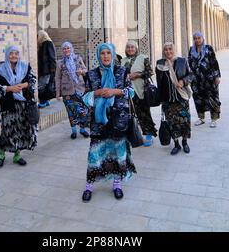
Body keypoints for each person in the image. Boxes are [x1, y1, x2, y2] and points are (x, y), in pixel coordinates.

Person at [81, 43, 136, 203]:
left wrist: (115, 91)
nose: (105, 56)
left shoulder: (122, 71)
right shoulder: (91, 75)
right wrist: (96, 93)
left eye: (108, 53)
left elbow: (130, 91)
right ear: (99, 56)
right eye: (103, 53)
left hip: (119, 119)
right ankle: (89, 185)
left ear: (112, 55)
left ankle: (117, 184)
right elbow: (84, 97)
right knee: (95, 154)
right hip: (99, 123)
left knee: (118, 153)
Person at [0, 45, 37, 167]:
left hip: (23, 105)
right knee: (7, 131)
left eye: (16, 53)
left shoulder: (25, 67)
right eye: (11, 53)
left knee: (20, 130)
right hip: (8, 106)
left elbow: (33, 80)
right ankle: (1, 154)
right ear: (7, 54)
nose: (14, 56)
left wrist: (24, 85)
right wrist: (10, 88)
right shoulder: (0, 70)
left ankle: (17, 155)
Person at [156, 42, 192, 156]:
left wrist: (183, 81)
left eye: (170, 49)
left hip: (181, 97)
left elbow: (191, 75)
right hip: (167, 99)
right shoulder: (160, 64)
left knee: (184, 122)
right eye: (165, 49)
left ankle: (185, 142)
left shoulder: (182, 61)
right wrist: (161, 99)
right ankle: (176, 144)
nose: (168, 51)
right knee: (172, 123)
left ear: (174, 50)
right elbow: (159, 83)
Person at [121, 40, 157, 146]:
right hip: (128, 92)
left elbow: (150, 72)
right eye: (128, 47)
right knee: (130, 114)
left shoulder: (143, 57)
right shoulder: (123, 61)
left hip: (141, 90)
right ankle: (134, 134)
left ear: (136, 48)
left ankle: (149, 134)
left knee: (144, 113)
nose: (130, 49)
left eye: (132, 47)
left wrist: (138, 75)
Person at [55, 42, 89, 139]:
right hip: (67, 91)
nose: (66, 50)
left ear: (71, 49)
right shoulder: (60, 63)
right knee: (70, 111)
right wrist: (58, 93)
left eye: (68, 48)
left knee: (82, 110)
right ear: (62, 50)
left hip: (80, 89)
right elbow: (57, 78)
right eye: (64, 49)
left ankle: (82, 129)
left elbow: (86, 70)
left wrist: (82, 72)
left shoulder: (78, 59)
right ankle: (74, 131)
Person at [188, 31, 221, 128]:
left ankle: (214, 119)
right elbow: (189, 63)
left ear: (202, 38)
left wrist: (217, 76)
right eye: (195, 38)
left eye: (199, 38)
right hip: (196, 80)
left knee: (213, 97)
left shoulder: (208, 48)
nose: (197, 40)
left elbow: (214, 62)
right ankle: (201, 118)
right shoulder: (191, 50)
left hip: (209, 79)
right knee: (198, 98)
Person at [37, 30, 56, 108]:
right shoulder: (42, 44)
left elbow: (52, 57)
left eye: (38, 36)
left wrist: (52, 70)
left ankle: (43, 101)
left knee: (41, 86)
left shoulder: (48, 43)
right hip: (44, 70)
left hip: (47, 70)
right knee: (45, 86)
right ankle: (46, 101)